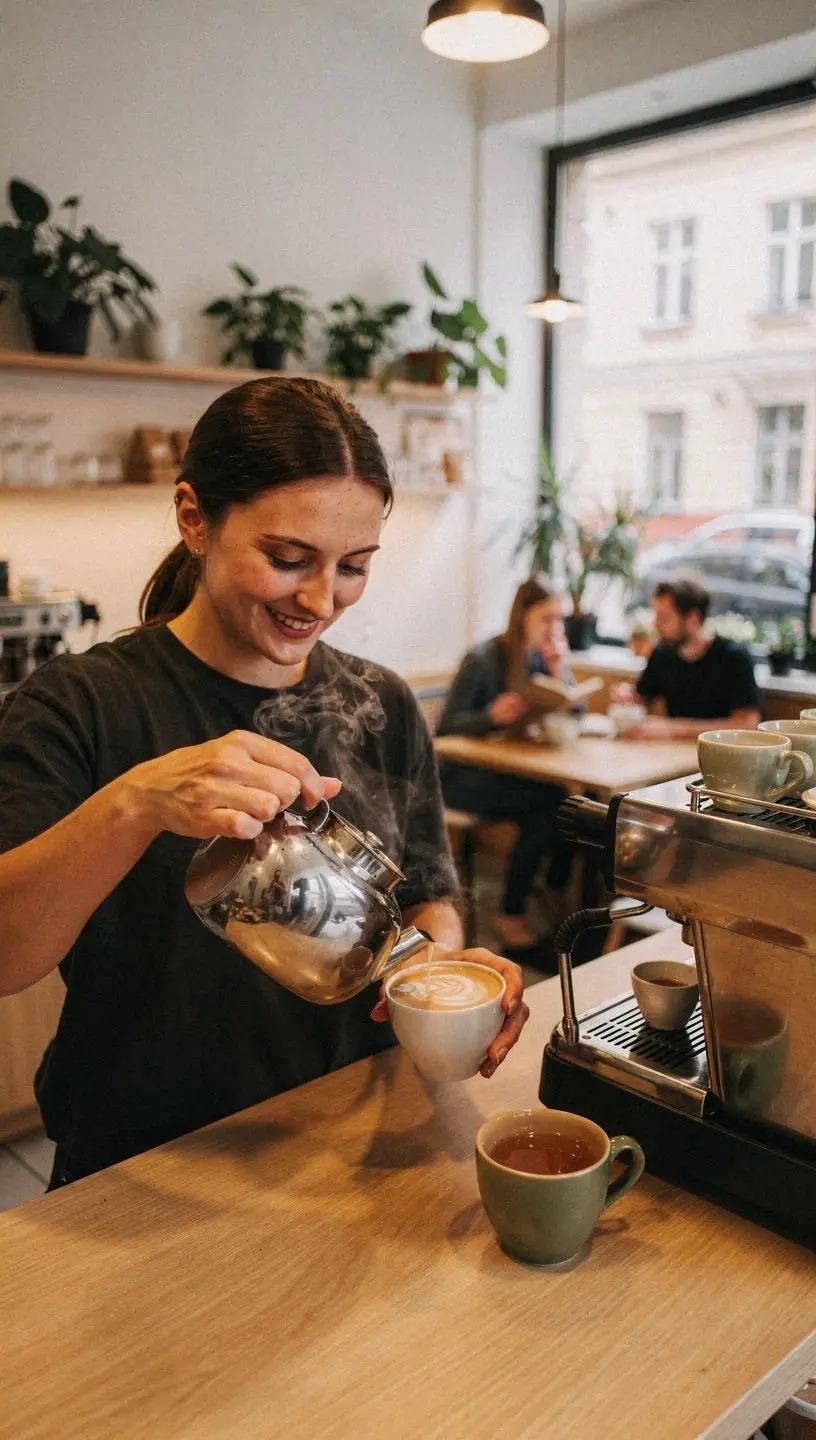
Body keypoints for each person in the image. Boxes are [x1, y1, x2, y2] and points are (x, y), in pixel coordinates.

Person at [0, 378, 528, 1188]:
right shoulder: (80, 706)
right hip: (144, 1171)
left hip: (352, 1139)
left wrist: (439, 985)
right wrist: (136, 804)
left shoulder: (381, 702)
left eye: (353, 566)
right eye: (287, 560)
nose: (320, 599)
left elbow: (431, 898)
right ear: (193, 519)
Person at [436, 579, 576, 955]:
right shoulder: (484, 658)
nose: (554, 628)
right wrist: (488, 716)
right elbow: (446, 728)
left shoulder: (540, 658)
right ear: (523, 615)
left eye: (559, 620)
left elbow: (575, 708)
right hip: (458, 777)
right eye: (546, 618)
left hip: (507, 770)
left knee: (572, 803)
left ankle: (555, 893)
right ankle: (510, 914)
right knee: (548, 804)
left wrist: (559, 669)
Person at [623, 576, 761, 738]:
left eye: (664, 617)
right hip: (672, 753)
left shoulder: (734, 658)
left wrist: (673, 728)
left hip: (719, 757)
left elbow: (747, 724)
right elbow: (640, 699)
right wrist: (626, 698)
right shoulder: (662, 653)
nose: (655, 624)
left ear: (693, 619)